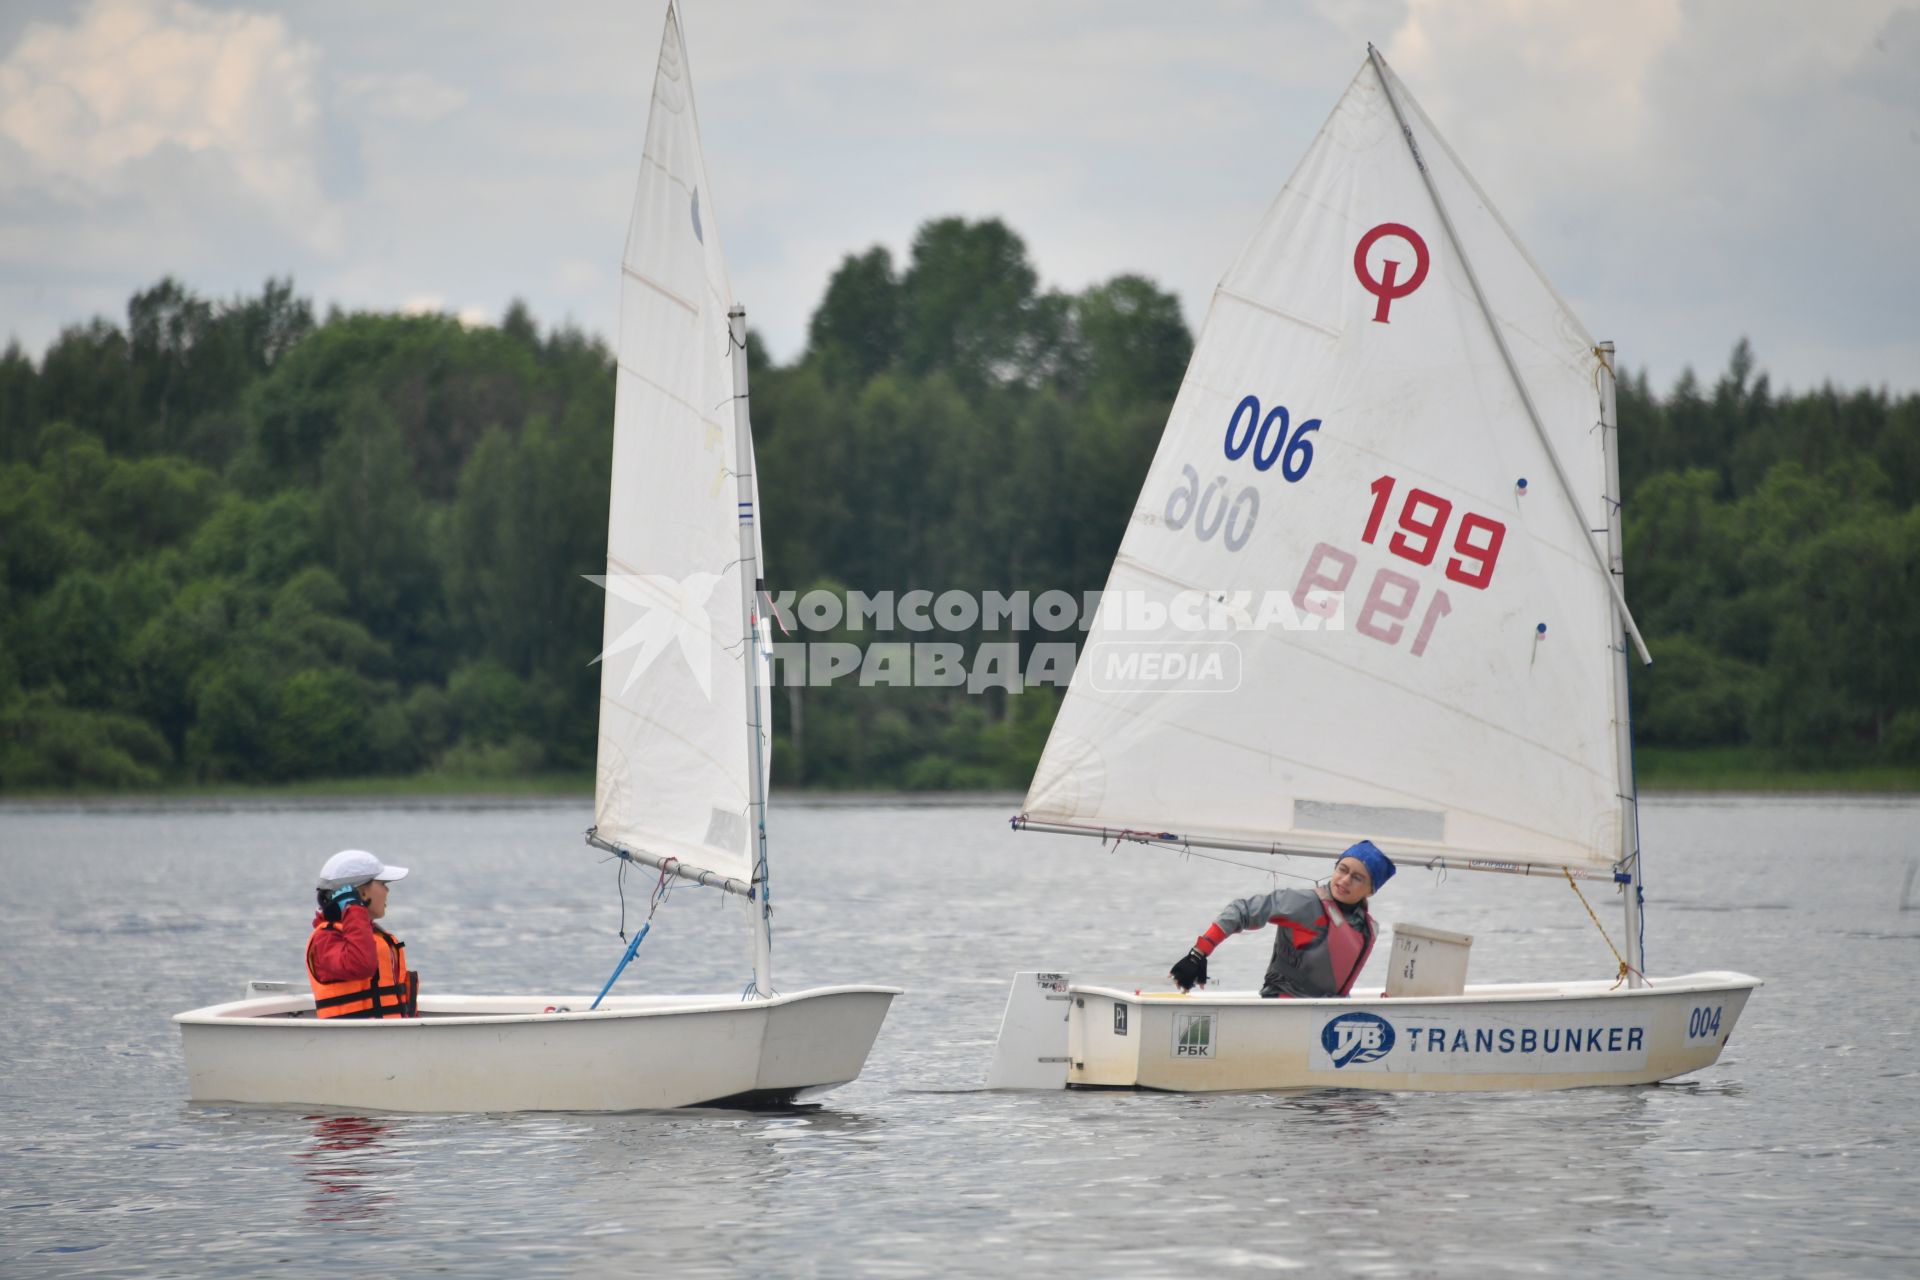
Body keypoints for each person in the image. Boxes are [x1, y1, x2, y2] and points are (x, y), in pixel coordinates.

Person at [1169, 839, 1395, 999]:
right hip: (1285, 1009)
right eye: (1342, 870)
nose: (1345, 880)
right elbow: (1242, 910)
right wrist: (1198, 953)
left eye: (1356, 878)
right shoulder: (1305, 904)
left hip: (1327, 1013)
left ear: (1370, 890)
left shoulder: (1367, 927)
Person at [307, 849, 418, 1019]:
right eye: (382, 884)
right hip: (354, 1040)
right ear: (362, 893)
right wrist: (355, 908)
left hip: (391, 1037)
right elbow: (361, 965)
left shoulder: (372, 934)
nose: (387, 891)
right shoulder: (325, 939)